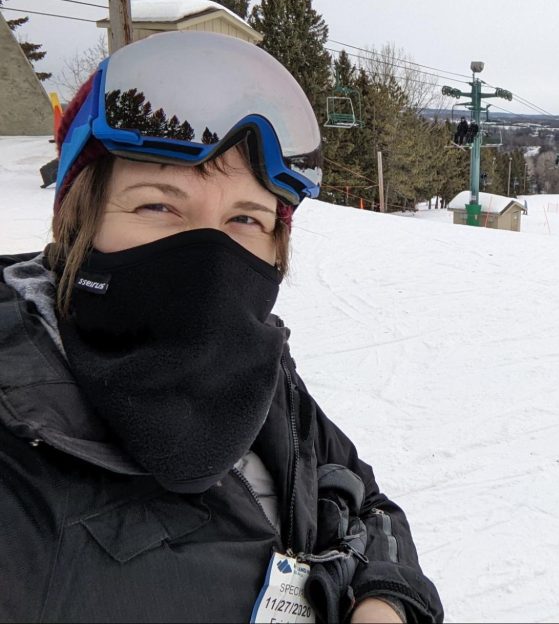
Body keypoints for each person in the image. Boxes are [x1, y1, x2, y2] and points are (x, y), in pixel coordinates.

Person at [0, 32, 443, 623]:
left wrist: (386, 596)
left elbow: (357, 497)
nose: (208, 256)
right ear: (78, 225)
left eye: (245, 218)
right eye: (158, 206)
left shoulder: (263, 371)